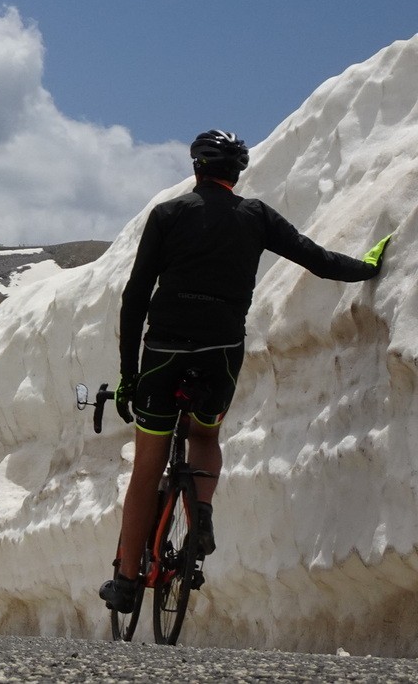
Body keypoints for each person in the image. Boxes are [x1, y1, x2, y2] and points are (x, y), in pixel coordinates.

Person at [99, 129, 392, 613]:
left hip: (166, 350)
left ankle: (127, 583)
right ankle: (203, 513)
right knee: (206, 436)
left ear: (196, 168)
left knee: (146, 470)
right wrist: (365, 267)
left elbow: (135, 298)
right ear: (237, 173)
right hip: (221, 350)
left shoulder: (168, 215)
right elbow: (315, 259)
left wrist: (129, 374)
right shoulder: (255, 216)